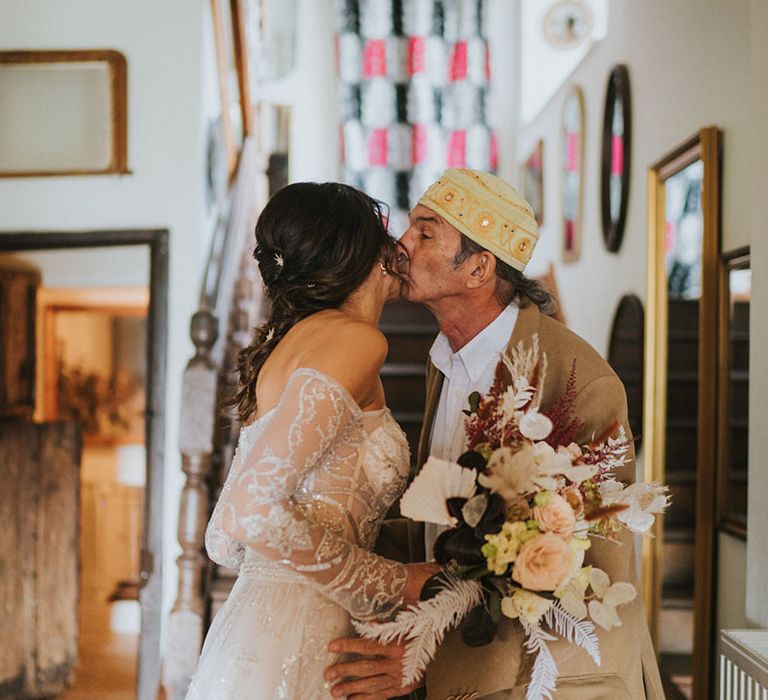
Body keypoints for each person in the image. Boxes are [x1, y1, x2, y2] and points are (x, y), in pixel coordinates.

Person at [326, 169, 664, 699]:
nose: (401, 245)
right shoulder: (445, 359)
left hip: (559, 682)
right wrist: (324, 542)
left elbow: (586, 573)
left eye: (425, 231)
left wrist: (427, 656)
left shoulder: (580, 384)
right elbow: (441, 527)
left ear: (479, 268)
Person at [185, 182, 437, 700]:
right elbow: (248, 515)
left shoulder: (290, 348)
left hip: (258, 627)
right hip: (308, 634)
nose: (400, 246)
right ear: (360, 249)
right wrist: (398, 582)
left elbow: (221, 538)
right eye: (385, 232)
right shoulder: (354, 340)